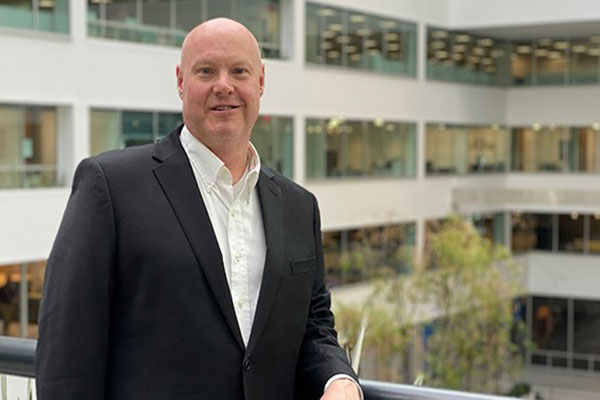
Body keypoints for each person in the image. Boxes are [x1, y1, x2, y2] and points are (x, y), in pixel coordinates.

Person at [36, 18, 361, 400]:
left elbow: (314, 326)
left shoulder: (299, 207)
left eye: (239, 71)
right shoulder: (110, 186)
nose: (224, 85)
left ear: (260, 82)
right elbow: (67, 351)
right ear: (181, 82)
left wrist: (338, 379)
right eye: (206, 71)